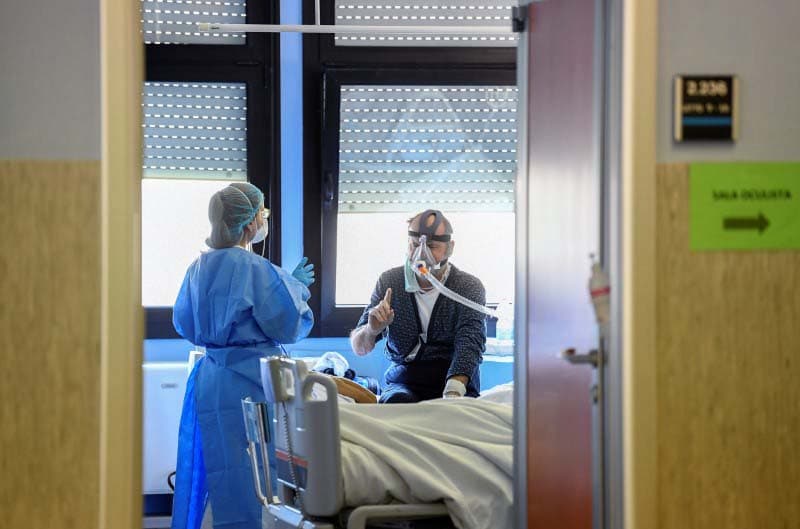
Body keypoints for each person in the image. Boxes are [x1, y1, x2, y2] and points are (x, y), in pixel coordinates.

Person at [170, 182, 315, 529]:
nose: (263, 221)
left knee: (219, 470)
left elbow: (183, 323)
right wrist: (293, 286)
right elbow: (289, 324)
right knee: (259, 473)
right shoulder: (253, 267)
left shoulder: (196, 269)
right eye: (262, 214)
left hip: (211, 380)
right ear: (250, 223)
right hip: (251, 382)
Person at [350, 209, 486, 403]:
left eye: (432, 246)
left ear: (450, 248)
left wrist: (453, 393)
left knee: (455, 419)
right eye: (415, 245)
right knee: (397, 404)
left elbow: (469, 342)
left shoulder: (467, 287)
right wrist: (372, 330)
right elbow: (359, 348)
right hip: (404, 381)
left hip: (453, 377)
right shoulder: (391, 281)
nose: (422, 254)